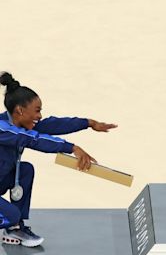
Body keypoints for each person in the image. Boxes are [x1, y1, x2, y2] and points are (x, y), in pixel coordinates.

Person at [0, 72, 117, 247]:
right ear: (20, 110)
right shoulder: (4, 129)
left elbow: (54, 125)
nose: (39, 116)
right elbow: (34, 139)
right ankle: (13, 221)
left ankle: (15, 229)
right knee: (10, 215)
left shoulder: (20, 123)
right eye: (37, 111)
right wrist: (72, 148)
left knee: (26, 170)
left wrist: (89, 123)